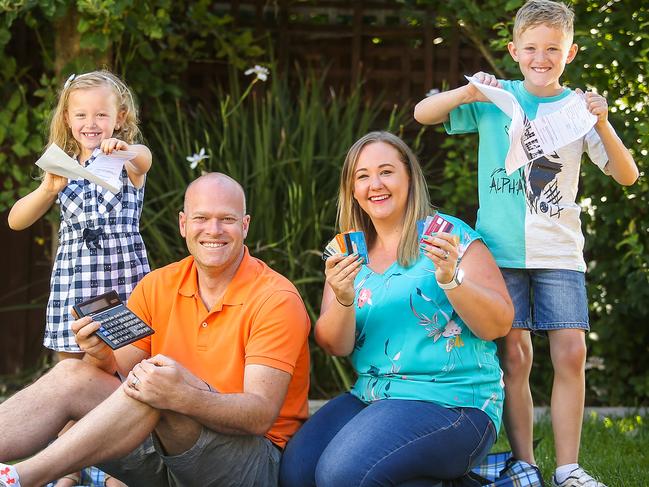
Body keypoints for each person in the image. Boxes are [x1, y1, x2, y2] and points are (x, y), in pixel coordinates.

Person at [413, 2, 638, 486]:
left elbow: (626, 175)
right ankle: (525, 465)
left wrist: (601, 121)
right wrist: (468, 91)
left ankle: (569, 468)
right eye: (531, 48)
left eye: (553, 49)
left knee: (571, 353)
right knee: (514, 357)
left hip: (560, 253)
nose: (541, 58)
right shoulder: (496, 98)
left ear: (570, 52)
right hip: (500, 253)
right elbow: (422, 114)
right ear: (514, 51)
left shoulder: (578, 110)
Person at [0, 173, 311, 487]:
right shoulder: (158, 285)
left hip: (249, 462)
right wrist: (99, 354)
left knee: (155, 379)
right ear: (183, 224)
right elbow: (115, 372)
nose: (213, 230)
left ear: (244, 225)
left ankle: (22, 478)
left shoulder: (275, 299)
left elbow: (259, 415)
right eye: (201, 218)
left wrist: (182, 397)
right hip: (163, 442)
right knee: (72, 374)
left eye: (226, 219)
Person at [279, 131, 513, 487]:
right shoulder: (347, 250)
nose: (376, 184)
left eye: (386, 172)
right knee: (297, 474)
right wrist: (343, 297)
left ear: (409, 177)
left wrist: (451, 279)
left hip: (456, 403)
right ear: (353, 189)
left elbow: (499, 324)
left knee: (341, 474)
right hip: (373, 395)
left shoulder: (449, 236)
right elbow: (334, 345)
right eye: (363, 176)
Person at [7, 69, 152, 487]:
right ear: (68, 119)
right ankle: (67, 471)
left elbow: (145, 158)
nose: (91, 124)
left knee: (117, 378)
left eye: (101, 115)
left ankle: (110, 470)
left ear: (119, 117)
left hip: (121, 285)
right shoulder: (62, 166)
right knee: (69, 378)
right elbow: (17, 220)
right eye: (81, 115)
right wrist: (48, 189)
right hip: (75, 285)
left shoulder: (126, 160)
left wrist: (126, 148)